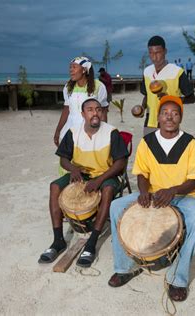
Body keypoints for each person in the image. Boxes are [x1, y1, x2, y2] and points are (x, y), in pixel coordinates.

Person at [108, 95, 195, 302]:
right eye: (165, 113)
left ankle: (177, 278)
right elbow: (142, 173)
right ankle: (125, 268)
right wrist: (144, 192)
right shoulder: (147, 142)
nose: (169, 117)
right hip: (153, 195)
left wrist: (173, 191)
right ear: (158, 117)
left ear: (180, 117)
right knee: (117, 205)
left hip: (184, 196)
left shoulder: (190, 144)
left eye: (175, 113)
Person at [39, 98, 128, 267]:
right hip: (81, 174)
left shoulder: (111, 132)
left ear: (102, 113)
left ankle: (91, 242)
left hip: (105, 174)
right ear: (82, 114)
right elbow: (63, 159)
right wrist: (73, 169)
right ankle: (58, 240)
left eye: (98, 109)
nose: (95, 113)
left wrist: (100, 180)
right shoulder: (73, 132)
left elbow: (121, 163)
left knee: (108, 189)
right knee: (55, 186)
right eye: (90, 110)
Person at [140, 35, 195, 136]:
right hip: (150, 121)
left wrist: (170, 99)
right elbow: (147, 95)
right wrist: (142, 108)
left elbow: (192, 98)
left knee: (168, 150)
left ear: (165, 51)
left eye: (158, 52)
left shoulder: (176, 72)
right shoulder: (147, 72)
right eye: (151, 53)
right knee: (149, 149)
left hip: (170, 121)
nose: (154, 57)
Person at [53, 57, 109, 148]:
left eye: (74, 67)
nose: (71, 70)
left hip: (90, 130)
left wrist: (102, 133)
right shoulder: (68, 87)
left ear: (84, 70)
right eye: (70, 67)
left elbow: (103, 112)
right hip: (70, 129)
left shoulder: (98, 86)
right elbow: (66, 110)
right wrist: (58, 130)